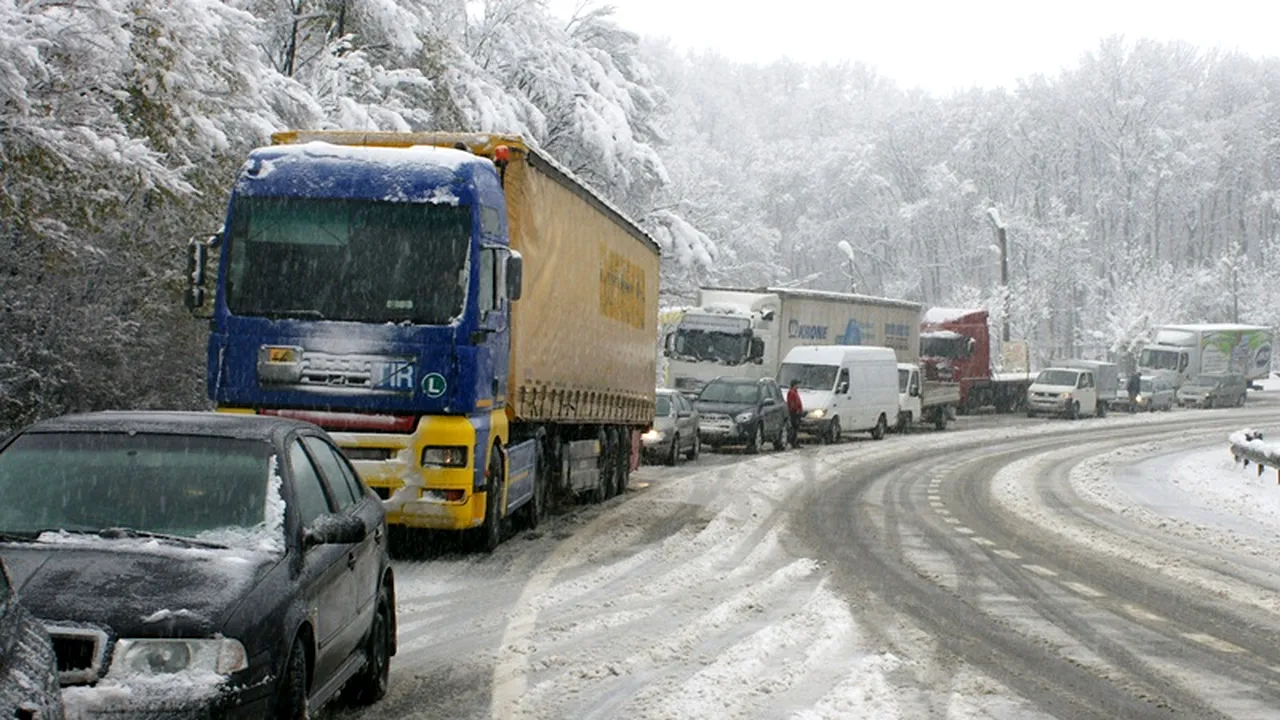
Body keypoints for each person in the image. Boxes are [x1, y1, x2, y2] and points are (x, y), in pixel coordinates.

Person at [786, 379, 804, 446]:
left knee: (796, 428)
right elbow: (792, 403)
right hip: (794, 413)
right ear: (794, 385)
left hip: (796, 412)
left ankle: (794, 441)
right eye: (797, 384)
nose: (798, 386)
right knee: (794, 427)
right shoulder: (792, 392)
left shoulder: (795, 392)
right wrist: (796, 410)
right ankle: (793, 442)